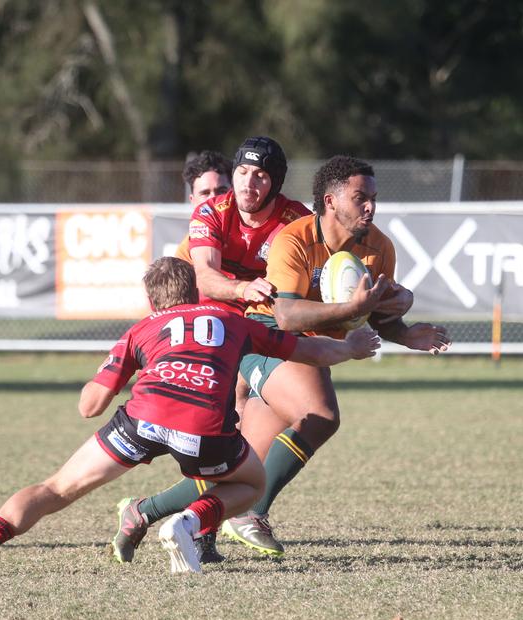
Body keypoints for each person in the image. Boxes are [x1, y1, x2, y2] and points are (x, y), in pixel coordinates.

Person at [0, 257, 381, 577]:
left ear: (153, 302)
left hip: (142, 417)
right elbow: (305, 348)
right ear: (196, 290)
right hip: (204, 427)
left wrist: (108, 374)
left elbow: (89, 406)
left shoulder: (141, 329)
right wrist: (350, 346)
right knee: (250, 485)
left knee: (55, 489)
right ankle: (189, 524)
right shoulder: (233, 321)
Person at [112, 155, 452, 562]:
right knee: (321, 415)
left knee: (242, 466)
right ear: (330, 200)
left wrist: (404, 332)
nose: (370, 207)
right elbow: (287, 316)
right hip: (265, 342)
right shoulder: (293, 239)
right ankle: (250, 512)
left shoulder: (379, 247)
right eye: (360, 198)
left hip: (310, 350)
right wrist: (350, 312)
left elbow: (372, 313)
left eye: (374, 198)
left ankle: (143, 511)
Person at [111, 136, 312, 564]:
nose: (227, 194)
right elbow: (198, 289)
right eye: (210, 190)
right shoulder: (197, 239)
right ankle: (229, 518)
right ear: (193, 199)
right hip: (218, 342)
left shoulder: (290, 219)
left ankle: (171, 518)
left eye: (251, 177)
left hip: (254, 332)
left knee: (238, 450)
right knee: (237, 440)